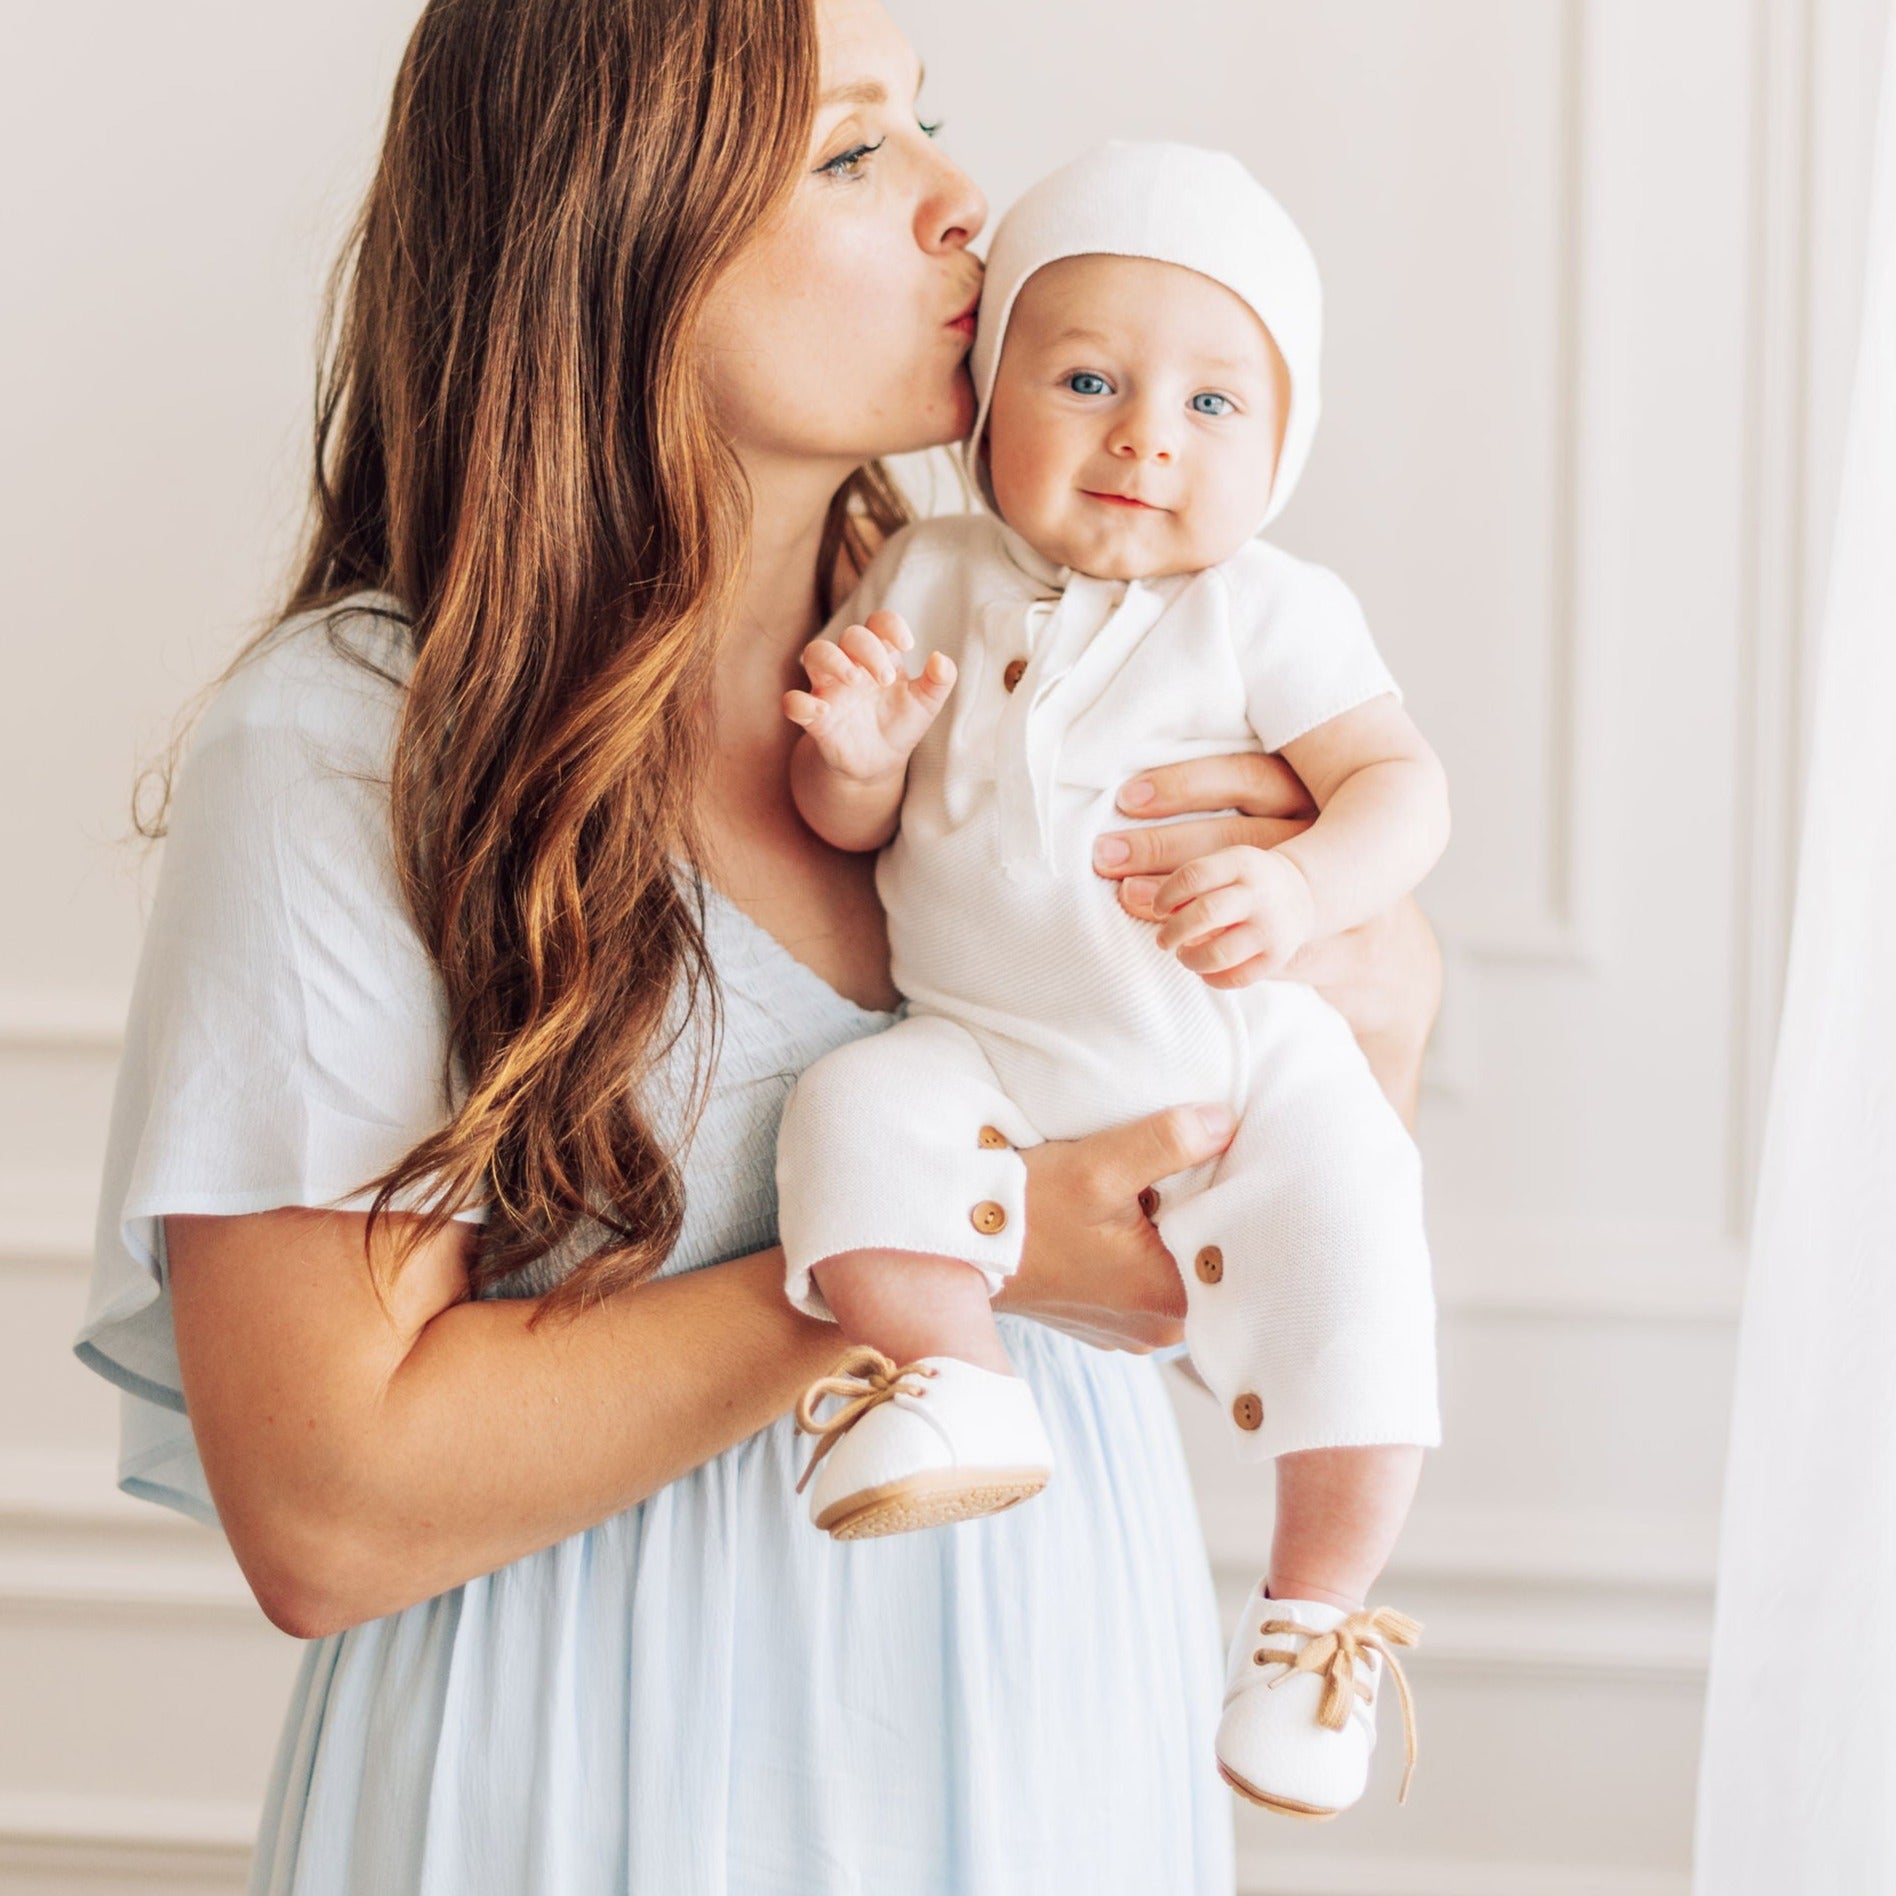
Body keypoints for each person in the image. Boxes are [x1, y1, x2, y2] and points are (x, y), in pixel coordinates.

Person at [69, 2, 1444, 1889]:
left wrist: (1375, 990)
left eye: (933, 125)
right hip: (586, 1783)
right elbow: (326, 1510)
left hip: (1051, 1744)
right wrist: (959, 1240)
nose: (970, 205)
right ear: (614, 233)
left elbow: (1219, 1292)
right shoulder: (353, 745)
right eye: (854, 153)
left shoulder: (1072, 692)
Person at [772, 139, 1445, 1824]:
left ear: (1281, 449)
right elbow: (852, 824)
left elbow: (1403, 791)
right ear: (990, 396)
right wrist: (854, 757)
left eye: (1216, 404)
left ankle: (1314, 1620)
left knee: (1361, 1252)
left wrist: (1297, 886)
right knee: (849, 1117)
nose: (1147, 433)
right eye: (1086, 379)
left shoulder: (1267, 614)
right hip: (983, 1048)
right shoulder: (923, 574)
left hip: (1226, 1051)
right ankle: (953, 1385)